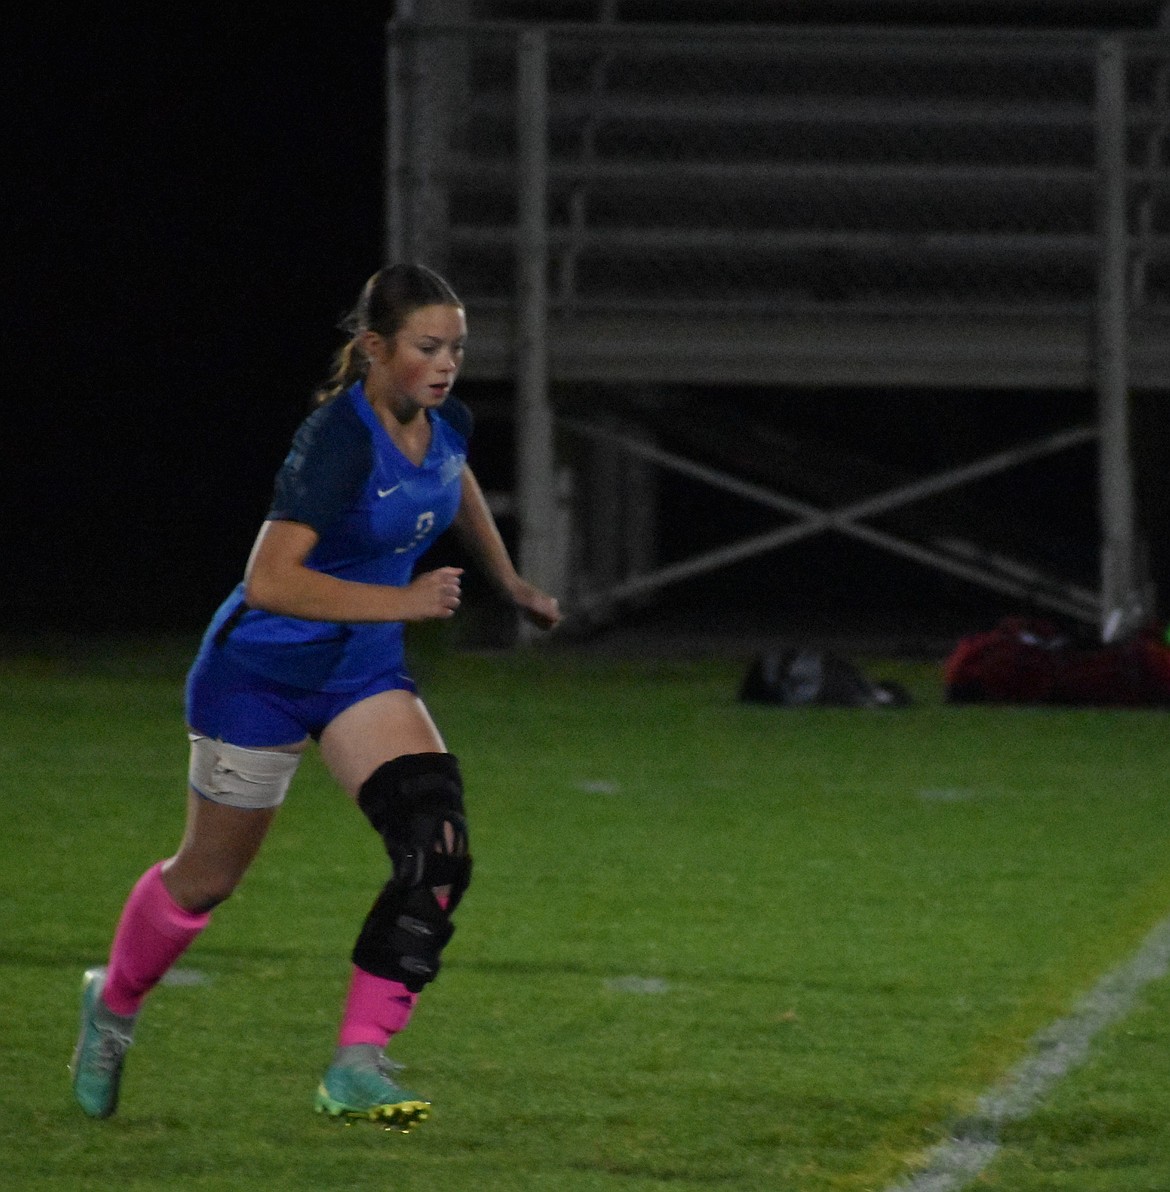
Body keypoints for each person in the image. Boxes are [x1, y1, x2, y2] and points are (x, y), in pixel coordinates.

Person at [70, 263, 562, 1128]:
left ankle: (356, 1063)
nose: (447, 364)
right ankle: (111, 1007)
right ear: (374, 347)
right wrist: (405, 602)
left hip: (360, 674)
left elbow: (455, 480)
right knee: (206, 879)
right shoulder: (337, 442)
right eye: (427, 347)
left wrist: (510, 580)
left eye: (456, 347)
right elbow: (269, 582)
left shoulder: (447, 421)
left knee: (438, 846)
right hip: (259, 678)